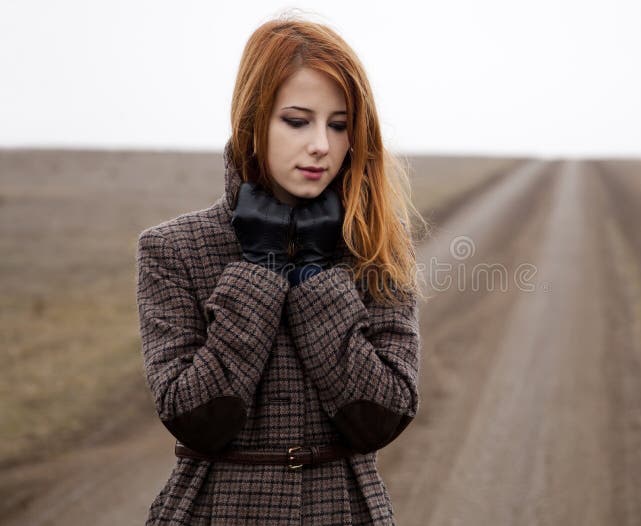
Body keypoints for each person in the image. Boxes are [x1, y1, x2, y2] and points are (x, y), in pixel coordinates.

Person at [135, 14, 426, 525]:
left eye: (339, 125)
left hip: (344, 511)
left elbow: (382, 416)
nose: (321, 144)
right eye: (297, 120)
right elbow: (194, 418)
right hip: (214, 512)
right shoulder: (173, 248)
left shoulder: (376, 246)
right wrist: (260, 268)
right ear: (253, 120)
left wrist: (317, 278)